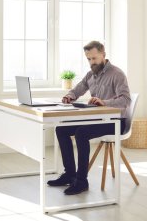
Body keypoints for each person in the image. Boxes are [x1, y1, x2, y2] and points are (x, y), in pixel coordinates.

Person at [47, 41, 131, 195]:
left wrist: (104, 102)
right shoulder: (90, 75)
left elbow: (126, 101)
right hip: (98, 119)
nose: (92, 62)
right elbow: (77, 89)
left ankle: (81, 181)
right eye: (89, 59)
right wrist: (69, 96)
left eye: (94, 58)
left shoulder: (117, 74)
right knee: (61, 130)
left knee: (81, 133)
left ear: (103, 55)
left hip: (117, 121)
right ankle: (69, 174)